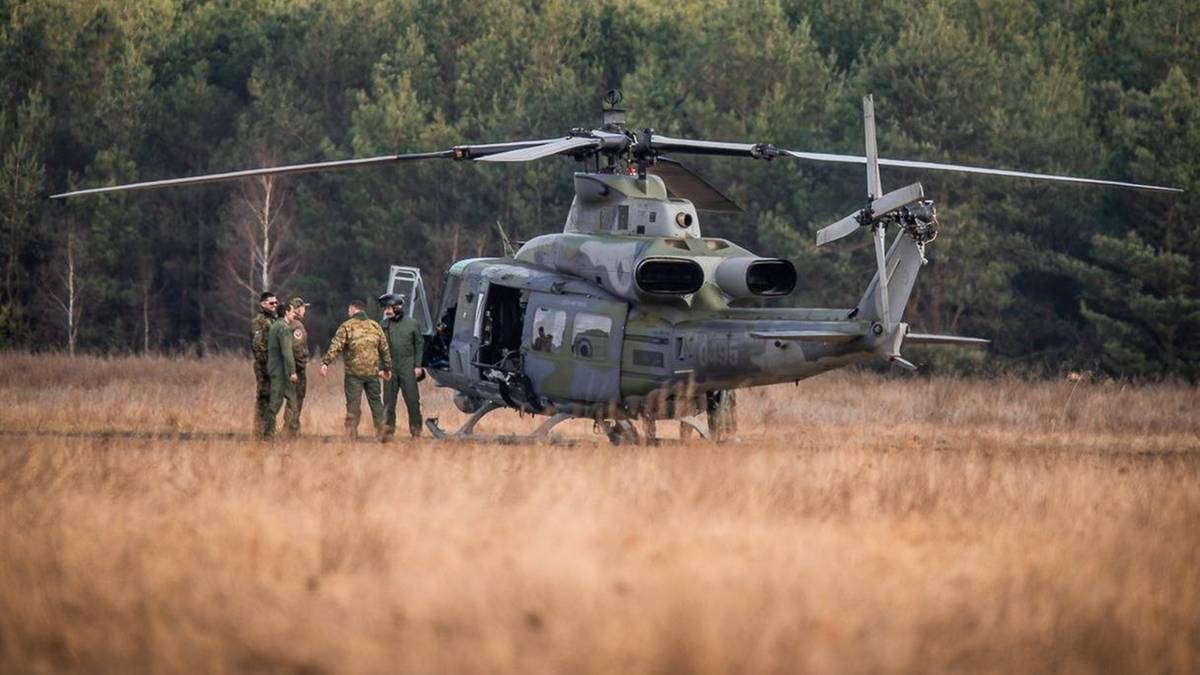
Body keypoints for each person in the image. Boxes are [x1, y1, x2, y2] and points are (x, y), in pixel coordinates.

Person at [320, 299, 391, 439]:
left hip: (354, 374)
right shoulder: (375, 326)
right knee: (376, 402)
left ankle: (351, 434)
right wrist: (387, 368)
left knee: (353, 403)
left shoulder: (347, 326)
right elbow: (385, 349)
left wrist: (325, 362)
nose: (348, 312)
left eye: (349, 309)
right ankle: (382, 432)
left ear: (353, 309)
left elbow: (336, 346)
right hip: (372, 373)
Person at [379, 293, 424, 440]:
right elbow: (380, 349)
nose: (387, 311)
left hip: (408, 367)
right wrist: (381, 368)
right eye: (385, 308)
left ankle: (416, 433)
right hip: (390, 369)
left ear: (397, 307)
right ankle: (388, 433)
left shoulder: (412, 324)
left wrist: (418, 365)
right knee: (388, 403)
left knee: (412, 401)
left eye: (389, 307)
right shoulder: (383, 325)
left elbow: (419, 345)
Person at [265, 302, 299, 439]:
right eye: (292, 312)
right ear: (286, 312)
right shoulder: (284, 328)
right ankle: (268, 435)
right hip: (281, 372)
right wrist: (292, 371)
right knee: (276, 404)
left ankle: (278, 433)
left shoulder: (275, 326)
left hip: (276, 370)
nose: (294, 314)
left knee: (282, 402)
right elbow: (287, 352)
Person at [251, 291, 278, 439]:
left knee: (273, 399)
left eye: (276, 303)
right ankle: (259, 433)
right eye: (271, 303)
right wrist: (268, 364)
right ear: (263, 304)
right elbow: (257, 346)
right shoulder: (259, 321)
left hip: (274, 367)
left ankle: (269, 433)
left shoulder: (274, 320)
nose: (274, 305)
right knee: (263, 398)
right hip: (264, 367)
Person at [283, 297, 311, 436]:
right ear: (298, 309)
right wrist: (300, 365)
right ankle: (291, 430)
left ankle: (290, 428)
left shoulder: (285, 323)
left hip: (287, 368)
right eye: (304, 308)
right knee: (295, 399)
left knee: (291, 399)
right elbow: (296, 347)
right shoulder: (297, 326)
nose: (305, 310)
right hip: (296, 370)